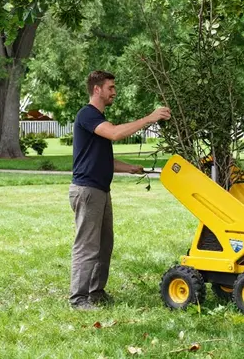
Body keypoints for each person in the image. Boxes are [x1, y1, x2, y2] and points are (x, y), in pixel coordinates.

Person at [68, 70, 171, 310]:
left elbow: (99, 158)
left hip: (101, 190)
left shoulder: (98, 119)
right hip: (87, 191)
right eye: (110, 87)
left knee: (104, 245)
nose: (114, 92)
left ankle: (96, 293)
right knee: (87, 246)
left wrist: (129, 168)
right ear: (97, 89)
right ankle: (78, 299)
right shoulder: (88, 114)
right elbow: (114, 134)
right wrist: (150, 118)